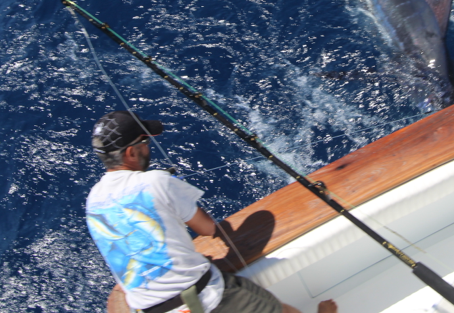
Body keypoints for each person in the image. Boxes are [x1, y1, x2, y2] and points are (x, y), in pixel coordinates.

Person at [86, 110, 337, 313]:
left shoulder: (92, 202)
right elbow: (207, 228)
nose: (148, 146)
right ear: (130, 152)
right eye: (144, 141)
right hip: (204, 298)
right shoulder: (154, 181)